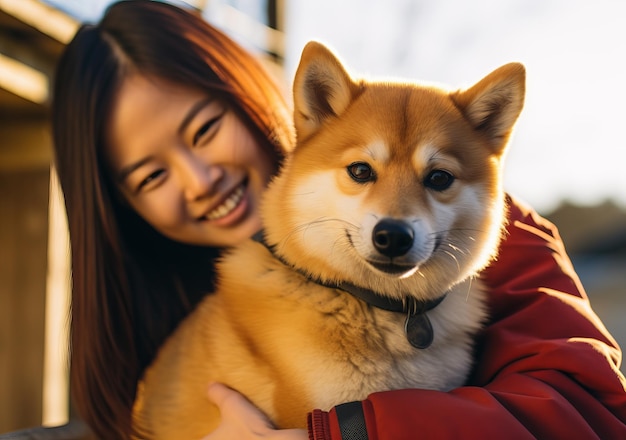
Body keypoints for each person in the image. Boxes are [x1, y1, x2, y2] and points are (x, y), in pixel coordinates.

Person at [51, 1, 626, 439]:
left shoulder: (494, 235)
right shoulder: (148, 303)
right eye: (151, 176)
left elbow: (586, 407)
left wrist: (351, 427)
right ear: (120, 204)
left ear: (253, 96)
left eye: (204, 130)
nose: (201, 181)